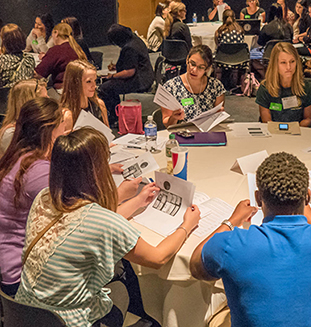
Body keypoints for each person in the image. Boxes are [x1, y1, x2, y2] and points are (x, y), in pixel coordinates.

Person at [15, 127, 202, 327]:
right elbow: (158, 258)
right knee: (122, 287)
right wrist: (186, 226)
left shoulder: (44, 197)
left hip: (22, 312)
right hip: (68, 321)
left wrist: (137, 201)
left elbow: (87, 221)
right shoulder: (102, 222)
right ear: (97, 170)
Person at [190, 152, 311, 327]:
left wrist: (231, 221)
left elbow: (196, 266)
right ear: (307, 197)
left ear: (258, 198)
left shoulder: (229, 244)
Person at [0, 97, 66, 297]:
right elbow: (77, 218)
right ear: (50, 130)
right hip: (22, 275)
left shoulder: (16, 158)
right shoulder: (38, 172)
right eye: (63, 127)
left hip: (7, 262)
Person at [98, 24, 153, 125]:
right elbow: (133, 63)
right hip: (145, 76)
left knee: (105, 88)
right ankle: (116, 113)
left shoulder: (129, 48)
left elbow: (129, 72)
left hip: (140, 81)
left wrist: (112, 76)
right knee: (110, 86)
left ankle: (113, 116)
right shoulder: (135, 40)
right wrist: (116, 67)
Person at [159, 45, 225, 127]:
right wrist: (174, 118)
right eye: (192, 64)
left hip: (206, 134)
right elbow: (166, 123)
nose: (194, 70)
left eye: (201, 67)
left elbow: (218, 119)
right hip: (182, 134)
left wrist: (219, 115)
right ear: (187, 60)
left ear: (207, 69)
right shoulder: (171, 87)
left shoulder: (216, 86)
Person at [256, 42, 311, 127]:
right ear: (275, 64)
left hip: (299, 133)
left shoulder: (306, 88)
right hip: (274, 135)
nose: (288, 67)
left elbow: (308, 119)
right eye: (283, 63)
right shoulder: (265, 88)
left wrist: (292, 131)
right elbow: (266, 121)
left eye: (292, 61)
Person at [0, 79, 48, 157]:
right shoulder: (11, 133)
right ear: (31, 102)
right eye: (44, 98)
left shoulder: (39, 127)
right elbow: (24, 163)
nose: (49, 100)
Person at [33, 23, 87, 91]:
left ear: (56, 33)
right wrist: (46, 57)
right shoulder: (77, 48)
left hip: (63, 91)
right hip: (80, 89)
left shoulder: (56, 50)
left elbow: (37, 75)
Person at [61, 60, 109, 131]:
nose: (94, 86)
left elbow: (108, 135)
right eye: (89, 81)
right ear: (75, 83)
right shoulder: (67, 115)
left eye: (95, 80)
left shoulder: (99, 105)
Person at [0, 24, 35, 88]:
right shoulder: (29, 59)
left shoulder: (2, 61)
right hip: (24, 96)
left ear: (4, 42)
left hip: (4, 97)